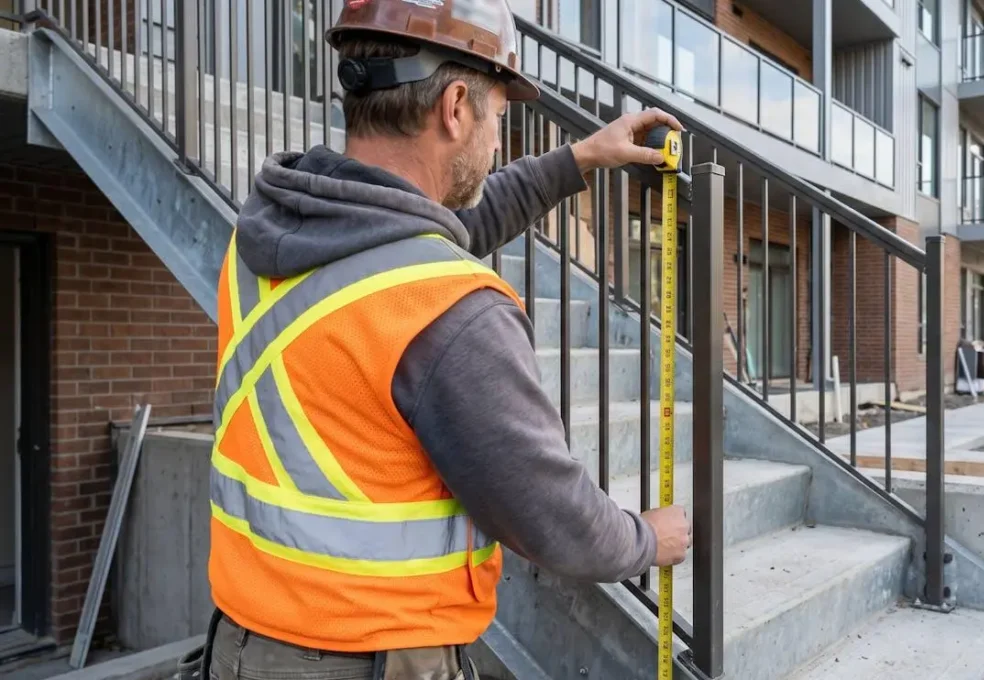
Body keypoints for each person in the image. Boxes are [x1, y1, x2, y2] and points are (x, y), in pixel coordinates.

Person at [201, 1, 690, 679]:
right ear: (456, 107)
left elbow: (427, 229)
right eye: (499, 118)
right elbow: (552, 517)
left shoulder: (267, 237)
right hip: (368, 660)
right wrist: (646, 539)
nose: (497, 146)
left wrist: (580, 158)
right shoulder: (451, 310)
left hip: (239, 646)